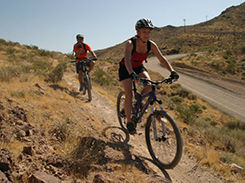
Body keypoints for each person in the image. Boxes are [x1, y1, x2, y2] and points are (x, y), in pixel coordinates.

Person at [118, 18, 179, 135]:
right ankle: (130, 122)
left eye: (149, 32)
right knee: (129, 94)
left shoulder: (151, 45)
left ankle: (138, 103)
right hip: (126, 69)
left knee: (150, 85)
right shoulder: (130, 44)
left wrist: (172, 71)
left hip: (138, 67)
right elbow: (127, 60)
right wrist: (131, 73)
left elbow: (161, 59)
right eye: (144, 32)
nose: (147, 34)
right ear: (138, 32)